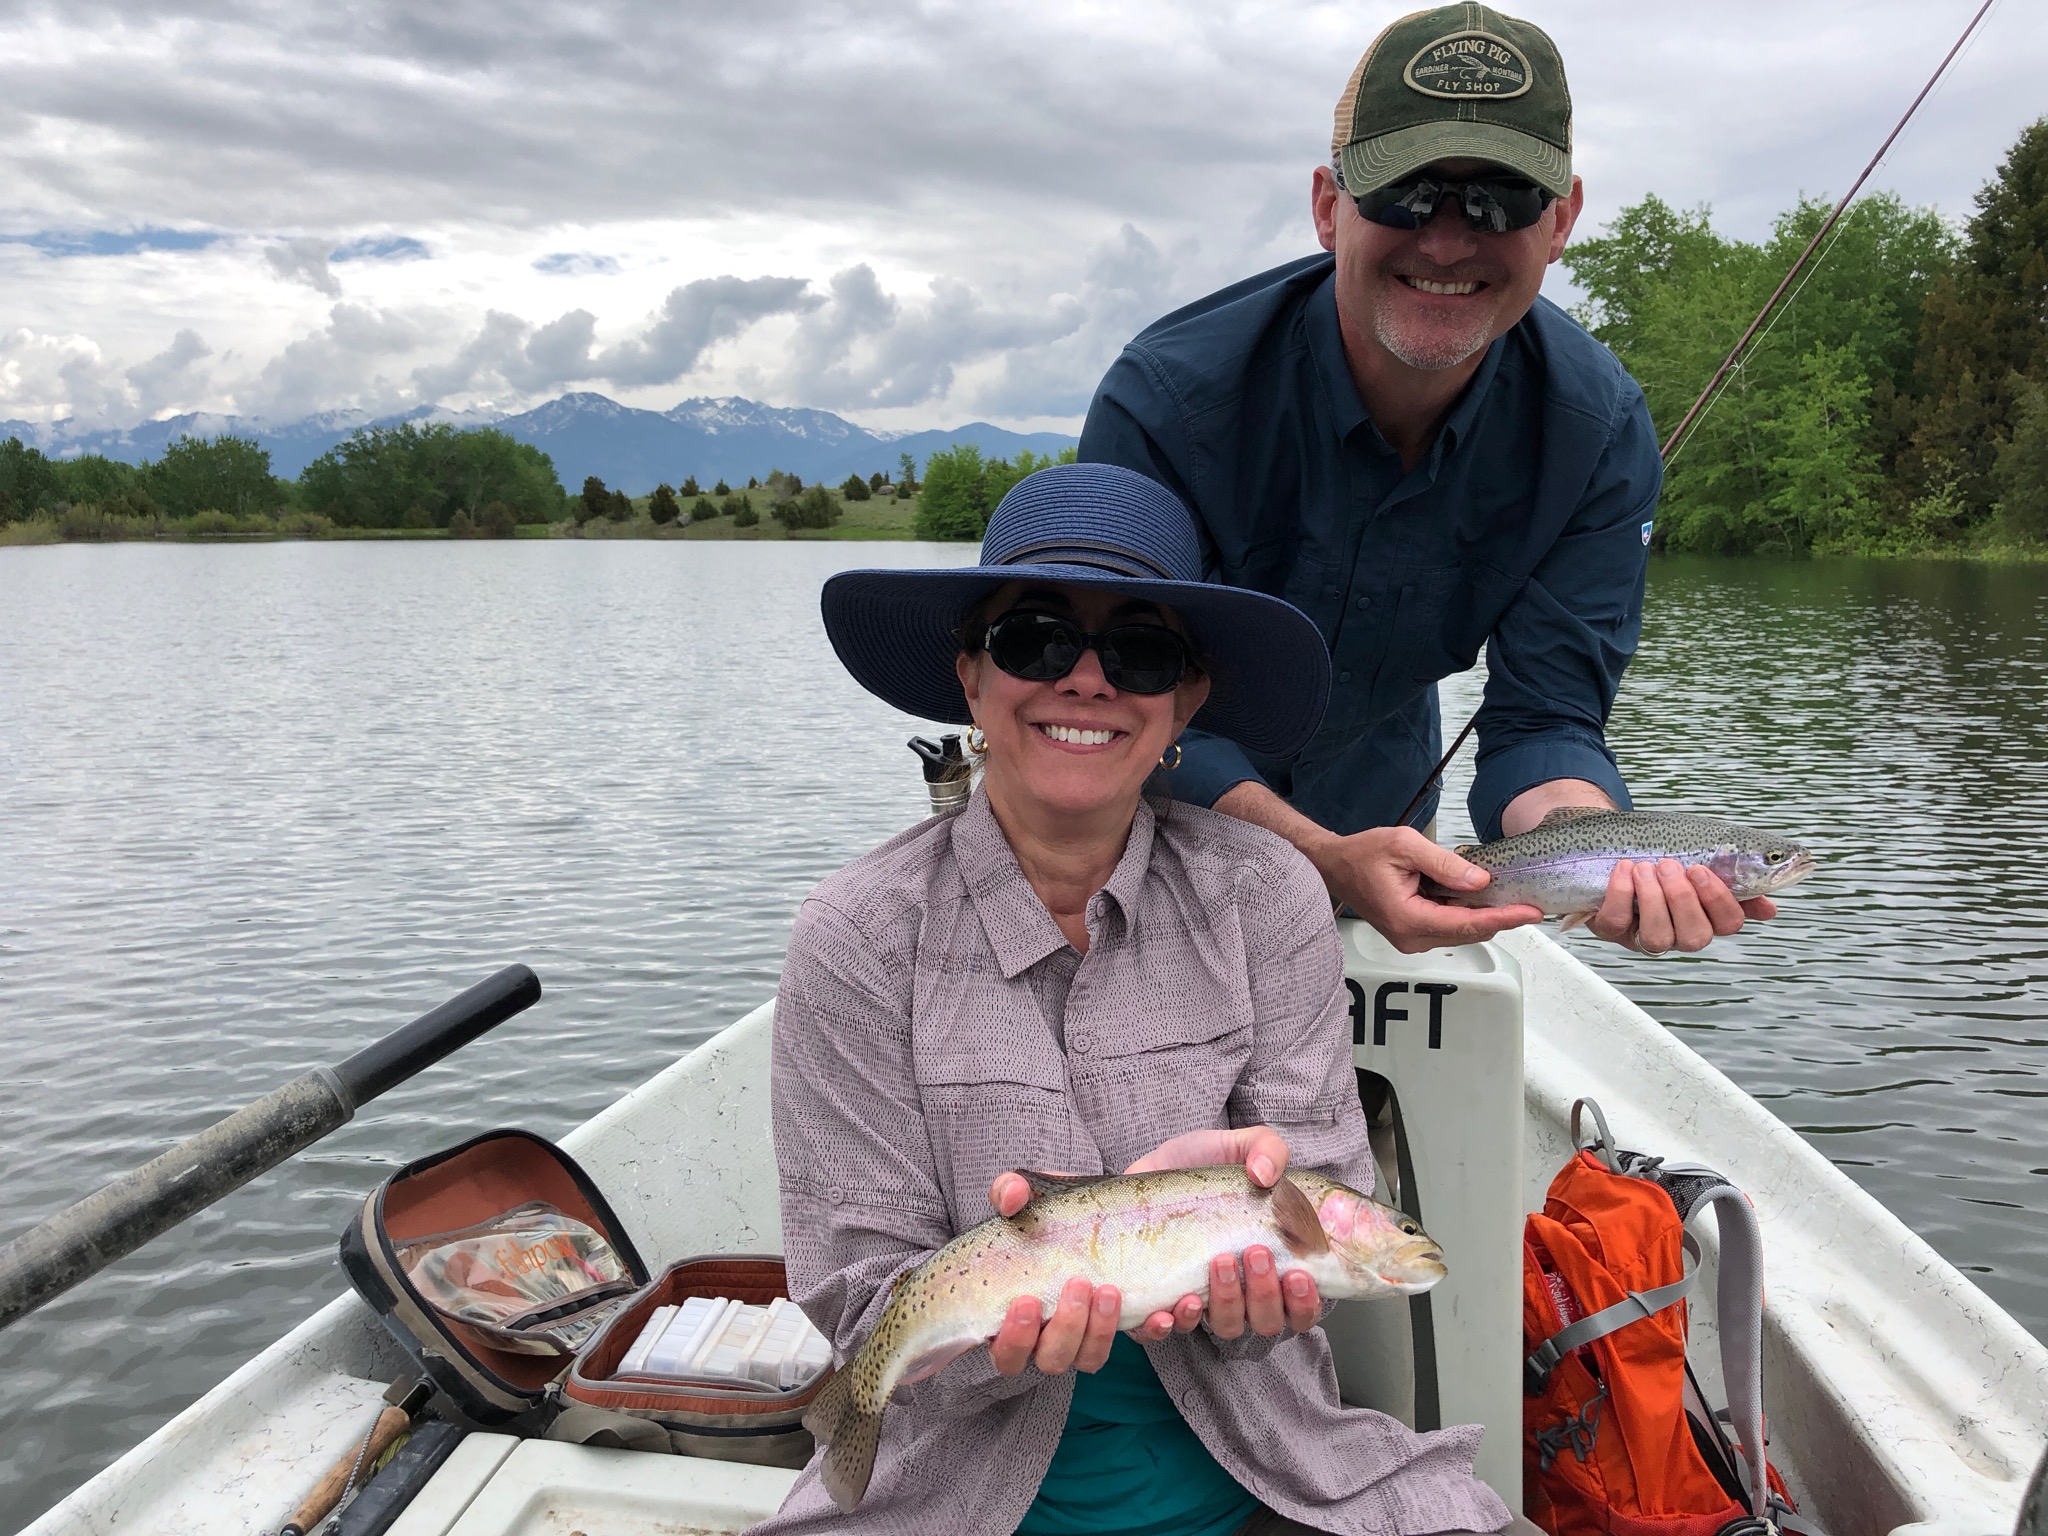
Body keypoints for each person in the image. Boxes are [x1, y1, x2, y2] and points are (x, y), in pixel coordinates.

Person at [755, 462, 1531, 1535]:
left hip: (1282, 1481)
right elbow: (859, 1303)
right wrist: (990, 1357)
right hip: (942, 1499)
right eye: (1032, 638)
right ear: (970, 677)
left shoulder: (1268, 897)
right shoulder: (854, 936)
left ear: (1186, 701)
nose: (1085, 681)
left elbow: (1325, 1186)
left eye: (1139, 651)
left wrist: (1255, 1311)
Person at [1080, 4, 1777, 960]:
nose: (1447, 244)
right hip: (1134, 826)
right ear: (1330, 207)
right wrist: (1316, 855)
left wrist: (1603, 857)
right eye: (1405, 197)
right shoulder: (1166, 403)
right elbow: (1111, 693)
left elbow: (1547, 717)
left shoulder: (1599, 433)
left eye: (1499, 203)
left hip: (1384, 820)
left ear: (1562, 219)